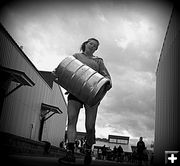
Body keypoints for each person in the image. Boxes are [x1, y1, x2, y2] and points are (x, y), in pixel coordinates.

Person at [55, 38, 112, 165]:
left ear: (96, 49)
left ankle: (87, 150)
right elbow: (66, 69)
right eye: (91, 43)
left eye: (95, 46)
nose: (92, 46)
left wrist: (108, 82)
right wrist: (57, 72)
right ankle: (70, 153)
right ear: (85, 44)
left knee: (90, 126)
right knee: (71, 121)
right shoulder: (76, 56)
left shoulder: (98, 61)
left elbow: (106, 76)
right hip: (75, 92)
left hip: (91, 94)